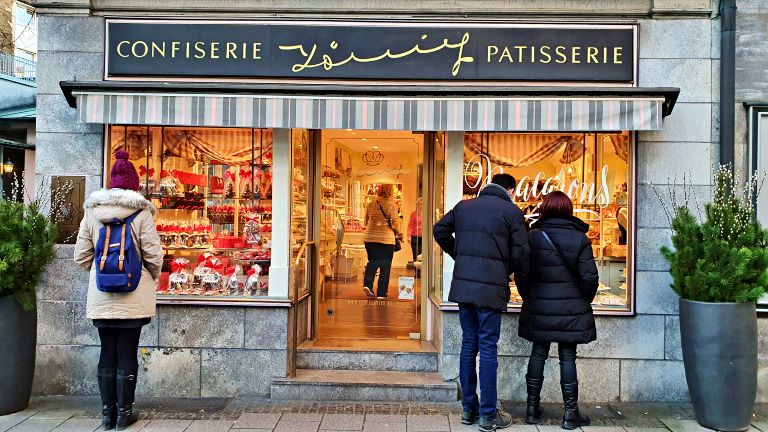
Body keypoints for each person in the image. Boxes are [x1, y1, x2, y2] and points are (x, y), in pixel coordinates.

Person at [74, 151, 163, 431]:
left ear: (110, 185)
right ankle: (125, 413)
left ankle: (106, 414)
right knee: (128, 350)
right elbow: (153, 254)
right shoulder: (142, 212)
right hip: (134, 294)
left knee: (106, 350)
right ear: (134, 185)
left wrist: (102, 274)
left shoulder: (92, 212)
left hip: (102, 295)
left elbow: (81, 255)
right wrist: (151, 276)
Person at [433, 173, 529, 432]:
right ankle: (487, 415)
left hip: (465, 288)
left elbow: (438, 229)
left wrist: (461, 256)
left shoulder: (464, 207)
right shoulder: (511, 212)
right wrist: (512, 276)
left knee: (469, 344)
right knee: (487, 347)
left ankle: (468, 409)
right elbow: (521, 255)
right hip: (491, 290)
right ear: (509, 190)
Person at [516, 191, 599, 430]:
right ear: (569, 210)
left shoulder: (533, 236)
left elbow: (522, 273)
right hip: (570, 308)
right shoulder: (579, 238)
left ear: (544, 209)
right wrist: (583, 300)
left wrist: (528, 296)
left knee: (538, 352)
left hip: (539, 305)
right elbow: (589, 277)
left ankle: (532, 409)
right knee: (567, 357)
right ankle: (570, 413)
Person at [362, 184, 403, 299]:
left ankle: (368, 285)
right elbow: (395, 223)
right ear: (390, 192)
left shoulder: (371, 204)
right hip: (386, 240)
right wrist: (399, 233)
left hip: (370, 238)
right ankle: (381, 293)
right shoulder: (392, 205)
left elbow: (366, 221)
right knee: (385, 266)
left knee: (373, 262)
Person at [407, 197, 423, 264]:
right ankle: (416, 273)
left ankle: (423, 273)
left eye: (423, 204)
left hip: (424, 237)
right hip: (415, 237)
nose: (422, 205)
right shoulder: (414, 214)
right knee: (416, 255)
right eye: (420, 204)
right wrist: (409, 236)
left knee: (423, 256)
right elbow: (410, 225)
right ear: (418, 204)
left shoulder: (427, 213)